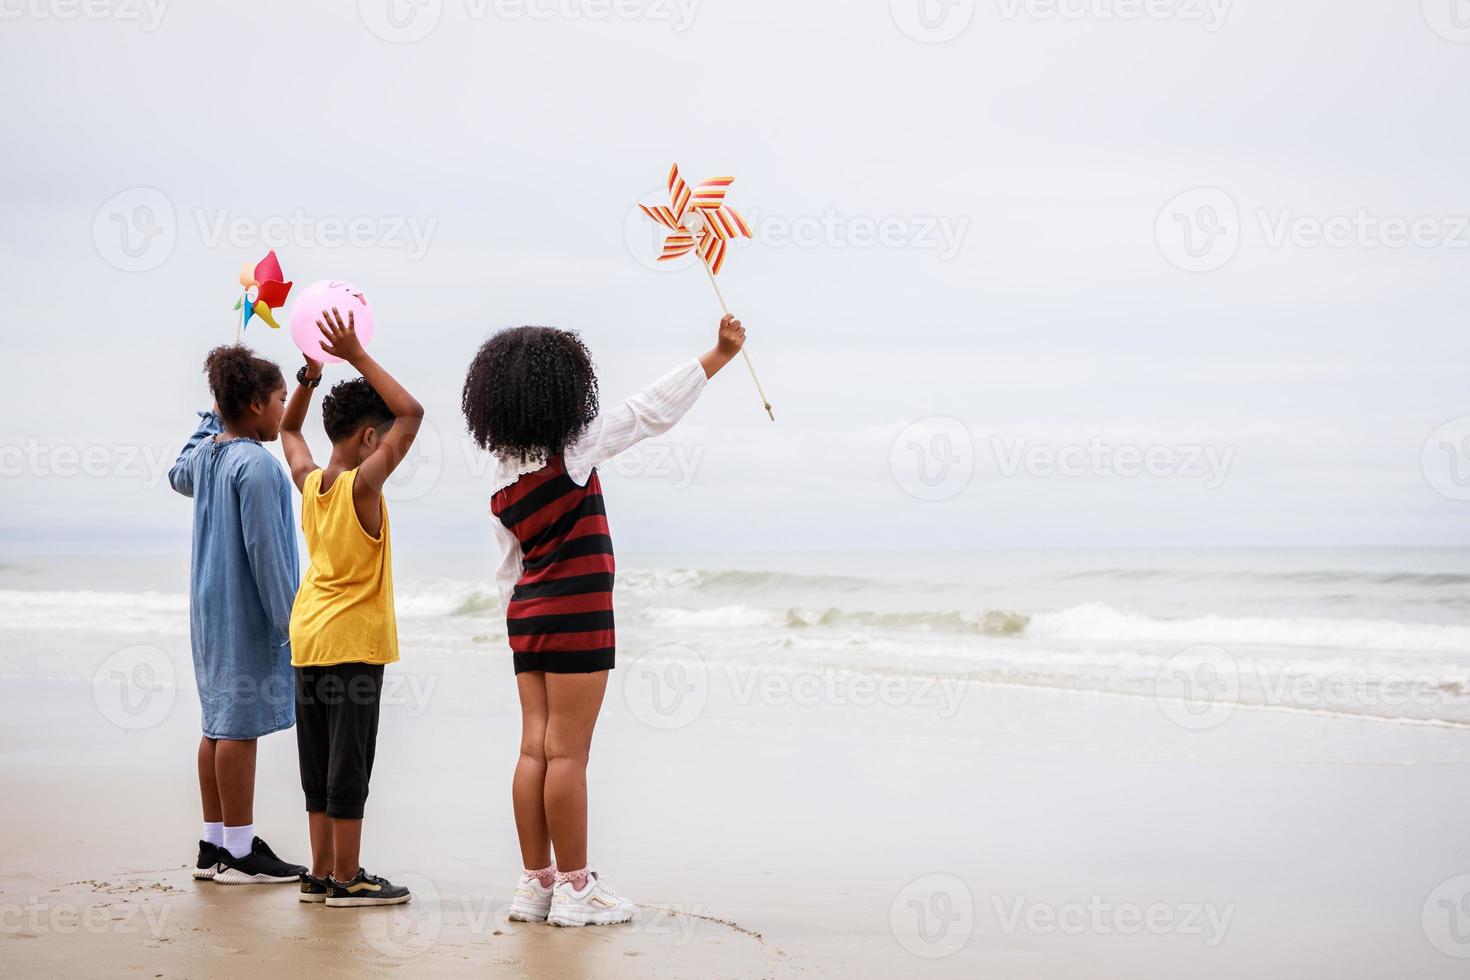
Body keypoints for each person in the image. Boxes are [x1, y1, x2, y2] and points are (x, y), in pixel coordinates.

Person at [460, 313, 746, 926]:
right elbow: (648, 411)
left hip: (527, 619)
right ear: (562, 390)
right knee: (569, 755)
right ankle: (577, 887)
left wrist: (522, 622)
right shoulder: (576, 450)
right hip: (577, 614)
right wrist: (718, 355)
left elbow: (508, 571)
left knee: (534, 749)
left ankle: (535, 884)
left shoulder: (502, 484)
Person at [280, 308, 422, 908]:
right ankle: (348, 876)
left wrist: (310, 377)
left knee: (317, 762)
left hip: (309, 638)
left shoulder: (311, 482)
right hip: (354, 645)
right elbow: (412, 414)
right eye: (380, 435)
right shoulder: (364, 487)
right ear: (369, 438)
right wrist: (356, 354)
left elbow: (289, 434)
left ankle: (319, 873)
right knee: (349, 764)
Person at [169, 345, 308, 885]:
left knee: (216, 724)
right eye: (278, 400)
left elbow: (177, 473)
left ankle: (215, 841)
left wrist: (212, 420)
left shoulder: (207, 456)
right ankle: (242, 846)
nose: (282, 410)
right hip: (242, 611)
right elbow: (268, 554)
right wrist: (292, 627)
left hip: (207, 608)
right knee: (237, 728)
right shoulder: (256, 465)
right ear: (254, 404)